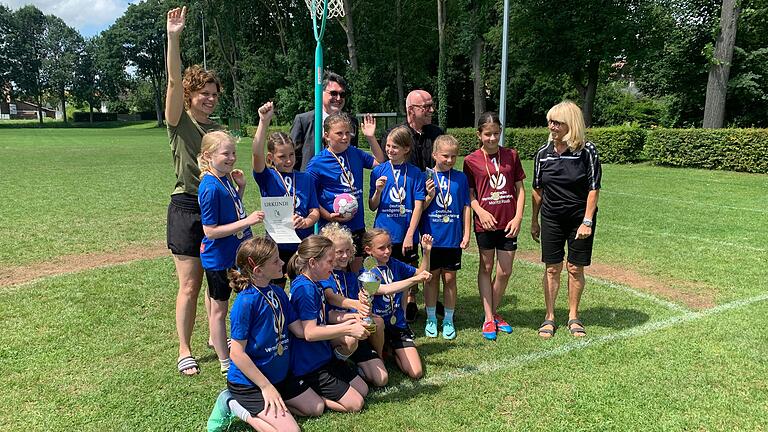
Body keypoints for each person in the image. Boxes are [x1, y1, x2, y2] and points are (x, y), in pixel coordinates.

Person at [207, 237, 325, 432]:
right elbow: (237, 353)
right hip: (250, 383)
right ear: (258, 270)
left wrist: (342, 326)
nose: (282, 263)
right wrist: (266, 387)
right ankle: (232, 403)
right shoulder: (245, 303)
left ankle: (274, 408)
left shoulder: (277, 294)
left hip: (279, 376)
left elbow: (299, 330)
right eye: (276, 261)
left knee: (316, 407)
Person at [165, 6, 222, 376]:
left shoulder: (216, 129)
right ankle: (184, 348)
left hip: (215, 207)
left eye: (214, 93)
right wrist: (174, 37)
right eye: (203, 93)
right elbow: (172, 83)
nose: (210, 98)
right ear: (190, 95)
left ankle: (215, 336)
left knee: (214, 278)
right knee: (190, 283)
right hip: (186, 206)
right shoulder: (178, 119)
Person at [531, 101, 601, 339]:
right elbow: (537, 190)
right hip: (551, 218)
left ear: (570, 125)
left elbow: (594, 188)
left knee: (574, 267)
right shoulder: (543, 153)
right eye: (550, 121)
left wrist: (587, 221)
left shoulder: (587, 151)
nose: (551, 126)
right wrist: (534, 220)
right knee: (552, 268)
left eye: (557, 122)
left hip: (579, 220)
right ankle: (549, 317)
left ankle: (573, 316)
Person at [198, 131, 265, 375]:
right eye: (226, 153)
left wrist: (241, 188)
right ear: (208, 156)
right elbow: (211, 230)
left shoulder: (224, 179)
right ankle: (225, 362)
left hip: (234, 255)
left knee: (242, 302)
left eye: (234, 153)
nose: (232, 158)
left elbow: (231, 210)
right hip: (219, 259)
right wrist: (247, 221)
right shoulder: (209, 187)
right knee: (219, 310)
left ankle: (241, 347)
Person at [379, 90, 444, 321]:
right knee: (407, 252)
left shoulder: (436, 133)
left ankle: (430, 295)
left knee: (429, 247)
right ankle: (409, 300)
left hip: (434, 201)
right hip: (405, 205)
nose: (431, 110)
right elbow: (383, 163)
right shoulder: (396, 133)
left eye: (431, 105)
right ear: (410, 110)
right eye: (425, 107)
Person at [288, 235, 371, 413]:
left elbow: (324, 316)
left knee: (363, 389)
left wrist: (352, 317)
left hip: (323, 356)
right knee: (356, 404)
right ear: (312, 263)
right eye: (329, 261)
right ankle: (311, 397)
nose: (333, 266)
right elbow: (310, 332)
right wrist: (349, 328)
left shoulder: (315, 283)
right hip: (309, 364)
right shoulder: (305, 289)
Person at [463, 111, 526, 341]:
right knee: (486, 267)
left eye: (496, 134)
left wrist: (518, 217)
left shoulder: (511, 155)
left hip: (508, 223)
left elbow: (520, 190)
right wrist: (480, 212)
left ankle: (494, 311)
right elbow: (469, 195)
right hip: (485, 224)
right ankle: (489, 317)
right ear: (479, 134)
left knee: (505, 270)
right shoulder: (470, 161)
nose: (492, 138)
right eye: (488, 134)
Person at [251, 101, 319, 288]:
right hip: (275, 245)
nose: (288, 160)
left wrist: (307, 221)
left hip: (301, 245)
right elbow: (256, 154)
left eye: (292, 155)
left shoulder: (305, 178)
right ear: (271, 157)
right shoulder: (267, 177)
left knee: (302, 288)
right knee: (277, 289)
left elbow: (314, 210)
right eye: (282, 156)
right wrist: (263, 122)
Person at [307, 113, 385, 272]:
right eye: (339, 133)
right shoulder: (317, 162)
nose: (345, 137)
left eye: (347, 133)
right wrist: (327, 215)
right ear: (327, 135)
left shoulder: (355, 153)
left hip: (356, 225)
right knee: (335, 270)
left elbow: (380, 162)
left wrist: (370, 137)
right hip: (332, 227)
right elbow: (310, 197)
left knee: (356, 270)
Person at [319, 223, 389, 387]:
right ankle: (340, 364)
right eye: (339, 252)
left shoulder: (351, 276)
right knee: (350, 340)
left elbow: (367, 296)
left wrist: (364, 302)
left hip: (355, 324)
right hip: (336, 330)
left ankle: (377, 357)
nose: (344, 256)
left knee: (381, 379)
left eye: (348, 251)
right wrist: (357, 305)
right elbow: (331, 297)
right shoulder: (324, 275)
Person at [363, 229, 432, 379]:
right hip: (376, 328)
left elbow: (421, 273)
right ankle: (379, 353)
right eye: (381, 248)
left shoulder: (394, 264)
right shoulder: (366, 271)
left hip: (397, 325)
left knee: (416, 372)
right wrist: (413, 281)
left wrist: (426, 252)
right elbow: (385, 289)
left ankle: (392, 349)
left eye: (389, 246)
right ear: (368, 250)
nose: (387, 251)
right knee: (381, 375)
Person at [421, 135, 471, 340]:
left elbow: (466, 205)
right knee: (430, 278)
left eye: (453, 156)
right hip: (430, 238)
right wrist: (428, 198)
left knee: (450, 278)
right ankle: (431, 317)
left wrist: (467, 232)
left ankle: (448, 319)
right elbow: (419, 208)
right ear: (434, 155)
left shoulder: (460, 178)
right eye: (445, 156)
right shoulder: (426, 176)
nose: (450, 161)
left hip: (452, 237)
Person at [368, 124, 426, 268]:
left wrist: (410, 235)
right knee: (382, 275)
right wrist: (378, 191)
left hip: (406, 234)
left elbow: (418, 207)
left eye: (395, 147)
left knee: (408, 277)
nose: (389, 150)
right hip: (383, 234)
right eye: (388, 146)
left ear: (406, 149)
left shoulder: (416, 173)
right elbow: (372, 206)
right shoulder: (378, 171)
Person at [290, 71, 360, 171]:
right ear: (320, 93)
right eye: (333, 93)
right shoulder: (303, 121)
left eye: (342, 94)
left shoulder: (352, 122)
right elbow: (291, 157)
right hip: (309, 183)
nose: (338, 98)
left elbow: (353, 157)